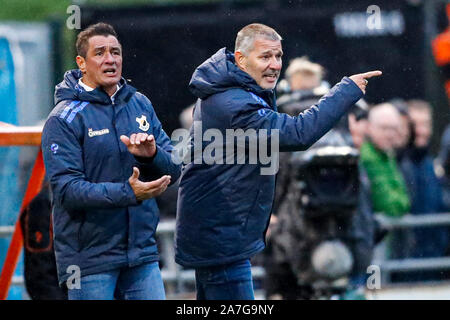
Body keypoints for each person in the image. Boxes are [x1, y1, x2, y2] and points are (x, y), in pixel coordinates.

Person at [175, 23, 382, 300]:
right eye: (265, 57)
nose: (274, 65)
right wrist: (346, 91)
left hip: (222, 232)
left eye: (278, 56)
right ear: (240, 59)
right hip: (221, 236)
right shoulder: (235, 103)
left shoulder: (234, 91)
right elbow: (299, 134)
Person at [41, 23, 181, 300]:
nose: (110, 59)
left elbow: (174, 168)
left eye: (115, 52)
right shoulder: (63, 118)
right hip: (89, 261)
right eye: (100, 53)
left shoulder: (140, 103)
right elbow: (66, 190)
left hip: (141, 254)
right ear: (82, 63)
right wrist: (128, 193)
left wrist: (152, 156)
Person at [360, 103, 411, 260]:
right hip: (372, 240)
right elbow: (389, 204)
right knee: (374, 283)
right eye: (384, 128)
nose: (390, 134)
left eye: (394, 128)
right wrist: (402, 204)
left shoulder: (387, 155)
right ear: (369, 127)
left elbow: (404, 199)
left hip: (385, 241)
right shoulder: (368, 157)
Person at [400, 100, 448, 263]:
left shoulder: (429, 163)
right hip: (407, 260)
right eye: (415, 124)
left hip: (436, 255)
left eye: (426, 124)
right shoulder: (399, 163)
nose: (421, 131)